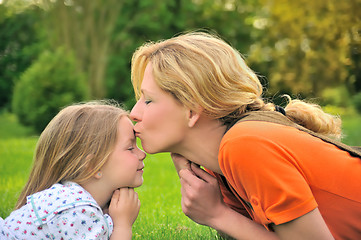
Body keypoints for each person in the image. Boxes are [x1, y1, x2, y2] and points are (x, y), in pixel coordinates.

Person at [129, 31, 361, 239]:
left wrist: (218, 215)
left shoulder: (245, 145)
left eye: (148, 100)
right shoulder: (218, 168)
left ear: (191, 108)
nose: (134, 113)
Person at [0, 101, 146, 240]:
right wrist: (122, 225)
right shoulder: (79, 211)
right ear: (93, 165)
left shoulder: (74, 201)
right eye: (130, 148)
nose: (142, 154)